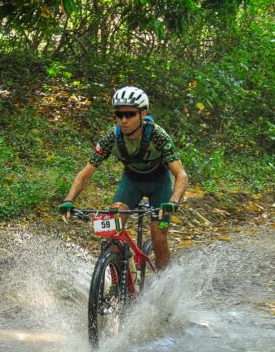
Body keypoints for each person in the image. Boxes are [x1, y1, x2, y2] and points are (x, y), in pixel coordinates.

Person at [59, 86, 188, 269]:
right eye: (119, 115)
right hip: (132, 182)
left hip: (160, 183)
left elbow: (181, 174)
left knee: (158, 238)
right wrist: (69, 200)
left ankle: (164, 283)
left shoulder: (158, 136)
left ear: (143, 114)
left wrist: (173, 201)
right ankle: (120, 277)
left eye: (130, 114)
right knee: (111, 231)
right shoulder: (111, 137)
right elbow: (85, 173)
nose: (124, 120)